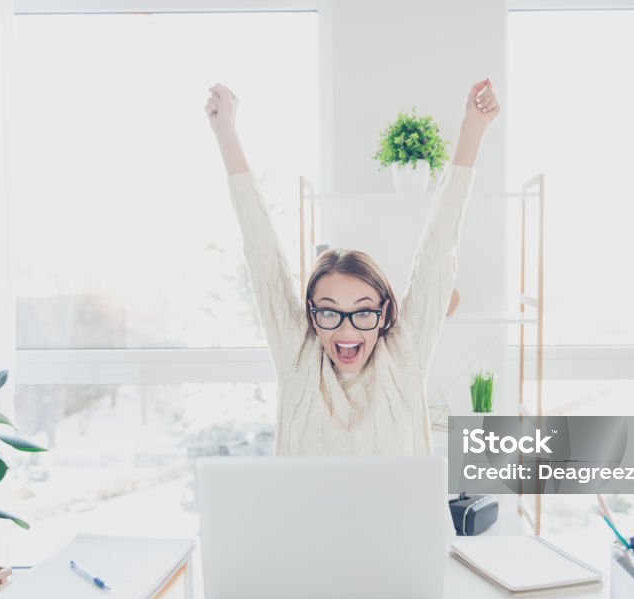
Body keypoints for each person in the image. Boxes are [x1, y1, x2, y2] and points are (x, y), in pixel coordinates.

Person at [206, 79, 499, 457]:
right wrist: (225, 132)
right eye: (329, 311)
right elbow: (263, 256)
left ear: (383, 314)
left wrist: (472, 129)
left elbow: (438, 249)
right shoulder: (297, 359)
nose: (346, 329)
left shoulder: (404, 356)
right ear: (311, 315)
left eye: (362, 312)